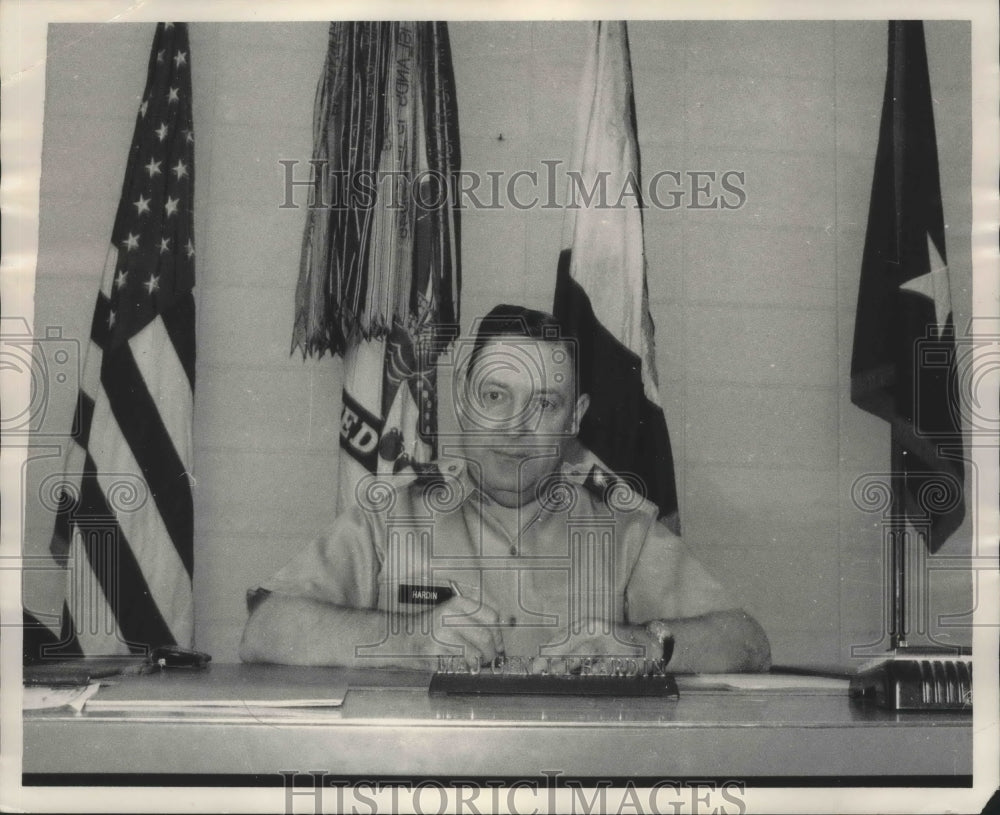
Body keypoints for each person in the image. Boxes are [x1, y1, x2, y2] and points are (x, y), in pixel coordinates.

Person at [240, 305, 771, 673]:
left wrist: (643, 644)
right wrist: (412, 641)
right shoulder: (391, 513)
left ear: (574, 418)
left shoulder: (622, 526)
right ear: (463, 400)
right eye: (495, 396)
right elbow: (265, 631)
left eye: (544, 404)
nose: (515, 426)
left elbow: (748, 642)